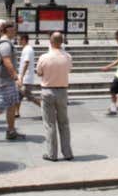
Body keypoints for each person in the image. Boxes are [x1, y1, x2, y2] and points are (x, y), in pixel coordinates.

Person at [36, 32, 74, 161]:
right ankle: (67, 153)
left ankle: (52, 154)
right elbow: (69, 70)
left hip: (47, 91)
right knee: (64, 123)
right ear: (62, 42)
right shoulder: (67, 56)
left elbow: (39, 72)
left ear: (50, 42)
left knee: (50, 124)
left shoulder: (44, 57)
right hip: (62, 91)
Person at [0, 19, 24, 140]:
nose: (16, 31)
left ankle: (11, 130)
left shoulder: (6, 42)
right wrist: (16, 77)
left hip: (6, 80)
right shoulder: (4, 43)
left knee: (12, 105)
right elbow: (7, 61)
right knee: (0, 106)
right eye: (14, 29)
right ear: (8, 29)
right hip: (4, 81)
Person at [18, 33, 40, 117]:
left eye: (19, 39)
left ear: (23, 39)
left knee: (29, 96)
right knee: (18, 96)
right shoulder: (26, 49)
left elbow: (26, 63)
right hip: (24, 77)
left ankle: (45, 108)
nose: (18, 41)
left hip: (26, 78)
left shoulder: (27, 49)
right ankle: (16, 112)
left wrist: (22, 76)